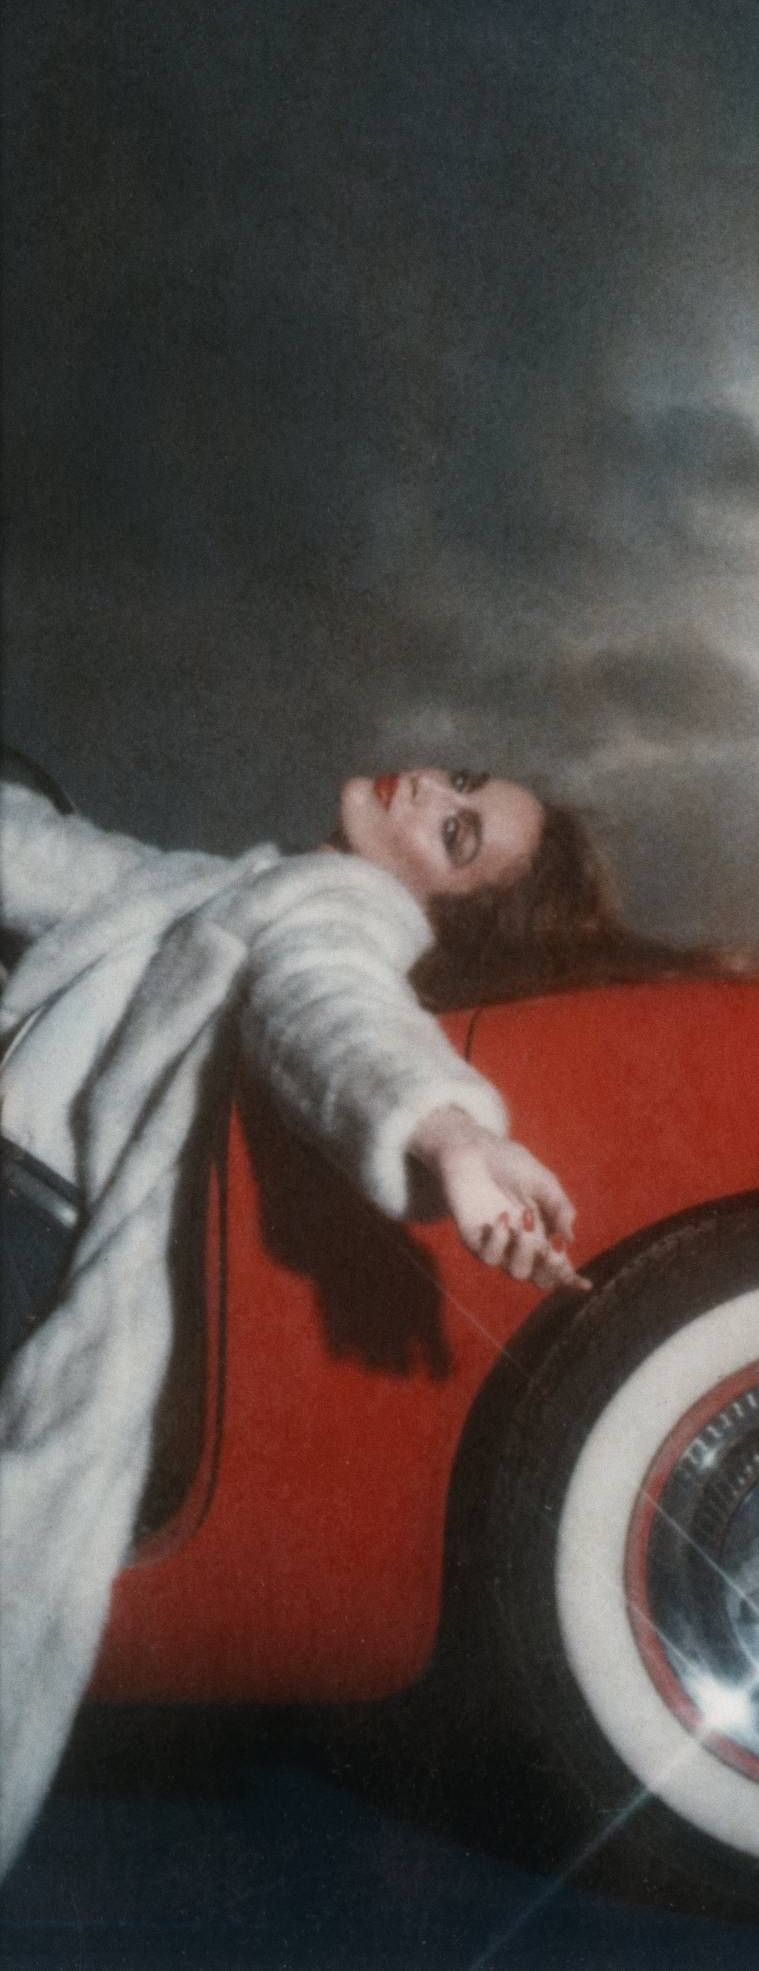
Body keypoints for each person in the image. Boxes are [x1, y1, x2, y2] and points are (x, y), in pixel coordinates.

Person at [0, 762, 625, 1873]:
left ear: (433, 910)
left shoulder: (341, 907)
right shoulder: (216, 881)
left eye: (457, 831)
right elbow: (33, 852)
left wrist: (451, 1133)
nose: (429, 788)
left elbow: (336, 1006)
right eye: (461, 783)